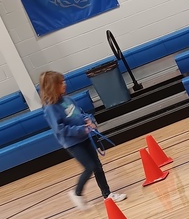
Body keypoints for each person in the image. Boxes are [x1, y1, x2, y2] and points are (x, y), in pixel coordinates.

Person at [39, 71, 126, 209]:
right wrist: (81, 129)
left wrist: (89, 120)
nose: (64, 84)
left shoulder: (68, 100)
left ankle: (107, 194)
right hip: (73, 143)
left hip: (84, 137)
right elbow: (60, 129)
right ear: (52, 86)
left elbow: (81, 113)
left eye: (64, 81)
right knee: (90, 167)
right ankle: (77, 193)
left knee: (97, 165)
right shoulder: (51, 108)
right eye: (61, 83)